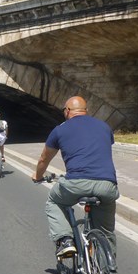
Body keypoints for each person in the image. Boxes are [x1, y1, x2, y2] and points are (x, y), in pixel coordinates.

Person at [31, 96, 119, 258]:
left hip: (76, 182)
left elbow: (44, 158)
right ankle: (108, 273)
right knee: (106, 232)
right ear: (86, 110)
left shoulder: (60, 130)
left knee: (54, 201)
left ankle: (65, 240)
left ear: (68, 111)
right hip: (107, 184)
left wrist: (38, 176)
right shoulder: (104, 126)